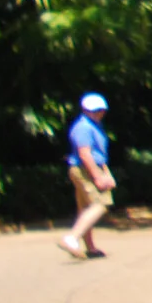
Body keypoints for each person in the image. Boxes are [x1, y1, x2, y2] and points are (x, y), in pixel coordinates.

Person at [58, 93, 115, 260]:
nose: (98, 113)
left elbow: (99, 154)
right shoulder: (83, 127)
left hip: (91, 168)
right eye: (94, 110)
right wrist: (97, 177)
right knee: (100, 204)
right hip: (85, 169)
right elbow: (85, 154)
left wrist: (107, 174)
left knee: (85, 209)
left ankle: (90, 247)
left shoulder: (96, 126)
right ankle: (71, 238)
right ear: (85, 110)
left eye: (101, 110)